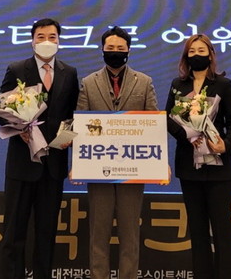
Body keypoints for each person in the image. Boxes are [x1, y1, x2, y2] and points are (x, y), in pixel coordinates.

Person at [0, 18, 79, 279]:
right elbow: (0, 110)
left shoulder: (69, 73)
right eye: (41, 37)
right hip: (22, 165)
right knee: (14, 232)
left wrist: (67, 136)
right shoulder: (17, 69)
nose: (46, 42)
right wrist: (18, 127)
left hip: (53, 166)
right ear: (32, 41)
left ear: (59, 41)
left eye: (52, 37)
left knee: (46, 232)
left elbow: (73, 113)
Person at [76, 26, 159, 279]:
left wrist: (160, 162)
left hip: (133, 170)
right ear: (102, 50)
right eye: (110, 48)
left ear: (128, 51)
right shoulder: (88, 83)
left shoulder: (144, 82)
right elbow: (79, 126)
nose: (115, 52)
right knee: (98, 234)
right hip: (98, 170)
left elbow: (154, 125)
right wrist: (77, 164)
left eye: (120, 48)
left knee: (130, 234)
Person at [165, 34, 231, 279]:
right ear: (185, 56)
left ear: (210, 55)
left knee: (222, 231)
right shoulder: (178, 84)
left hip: (218, 168)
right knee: (197, 232)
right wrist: (187, 136)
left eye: (201, 51)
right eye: (191, 51)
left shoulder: (223, 85)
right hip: (189, 167)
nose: (196, 55)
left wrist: (225, 145)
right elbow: (168, 119)